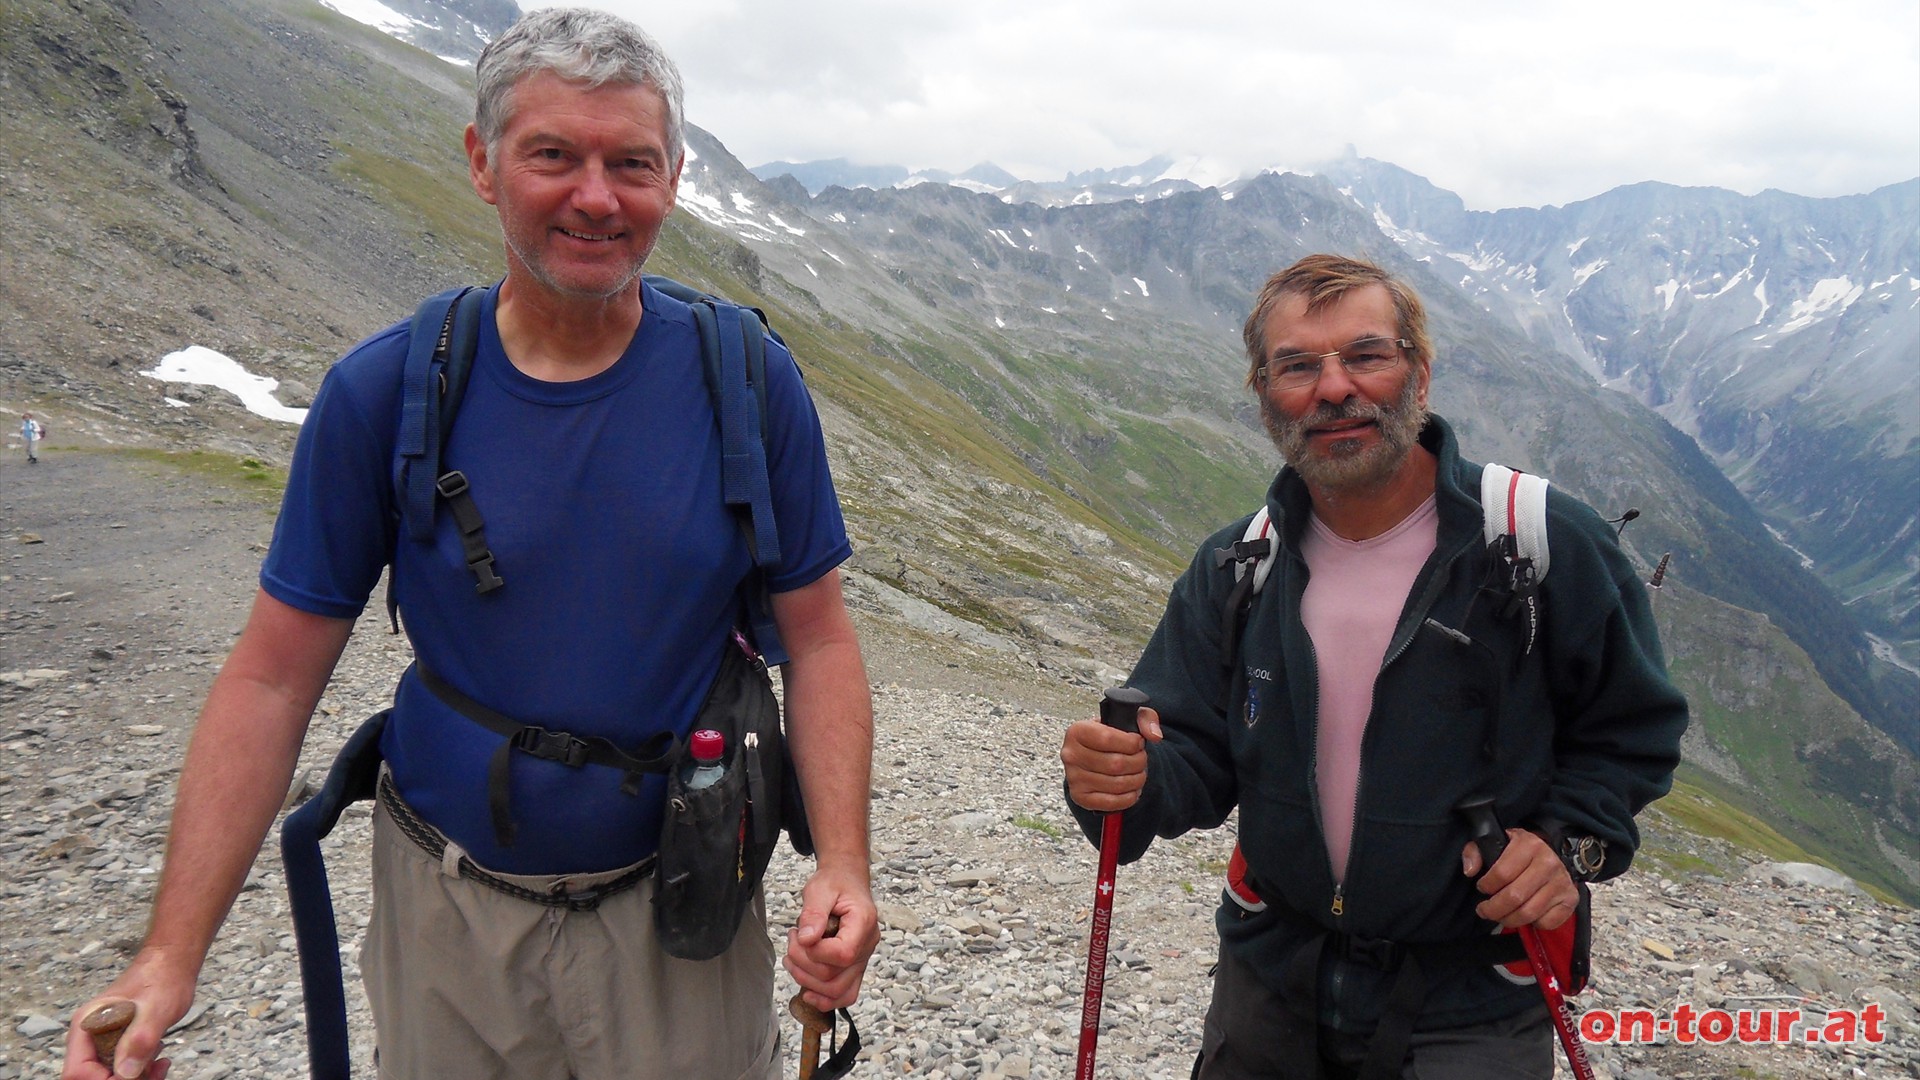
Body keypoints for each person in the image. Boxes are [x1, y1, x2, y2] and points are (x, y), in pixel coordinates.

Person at [65, 9, 877, 1079]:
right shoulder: (384, 395)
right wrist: (169, 958)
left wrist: (846, 871)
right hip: (445, 909)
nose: (597, 196)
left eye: (631, 163)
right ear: (483, 164)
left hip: (684, 904)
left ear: (673, 176)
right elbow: (269, 680)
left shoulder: (748, 384)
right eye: (553, 155)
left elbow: (816, 643)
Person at [1061, 254, 1687, 1079]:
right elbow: (1193, 756)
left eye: (1365, 356)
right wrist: (1124, 778)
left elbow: (1632, 733)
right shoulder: (1237, 565)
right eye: (1297, 366)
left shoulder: (1541, 542)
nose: (1332, 389)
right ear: (1263, 394)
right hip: (1271, 982)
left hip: (1473, 993)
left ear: (1419, 373)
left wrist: (1567, 846)